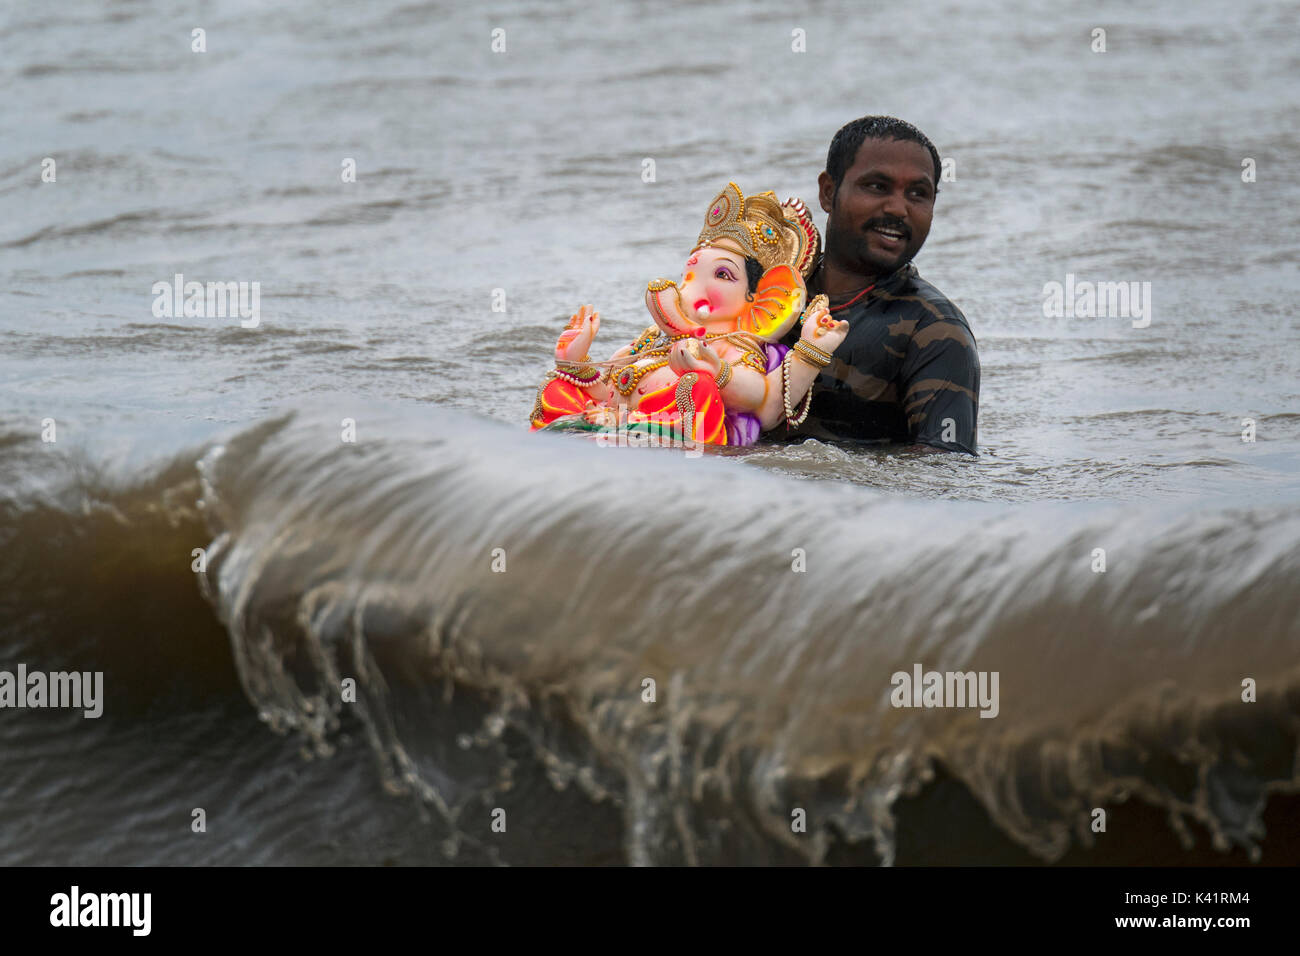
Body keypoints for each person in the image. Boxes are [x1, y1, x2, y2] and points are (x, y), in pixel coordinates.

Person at [528, 183, 849, 447]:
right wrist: (576, 363)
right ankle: (586, 433)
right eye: (691, 271)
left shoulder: (739, 346)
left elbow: (767, 407)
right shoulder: (654, 339)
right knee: (557, 386)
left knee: (698, 387)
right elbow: (608, 390)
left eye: (722, 275)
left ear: (761, 297)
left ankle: (626, 432)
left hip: (679, 432)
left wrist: (718, 369)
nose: (693, 285)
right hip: (611, 421)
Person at [776, 116, 980, 454]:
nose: (898, 208)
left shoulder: (937, 333)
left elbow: (943, 475)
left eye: (918, 194)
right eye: (877, 187)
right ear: (828, 193)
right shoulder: (767, 292)